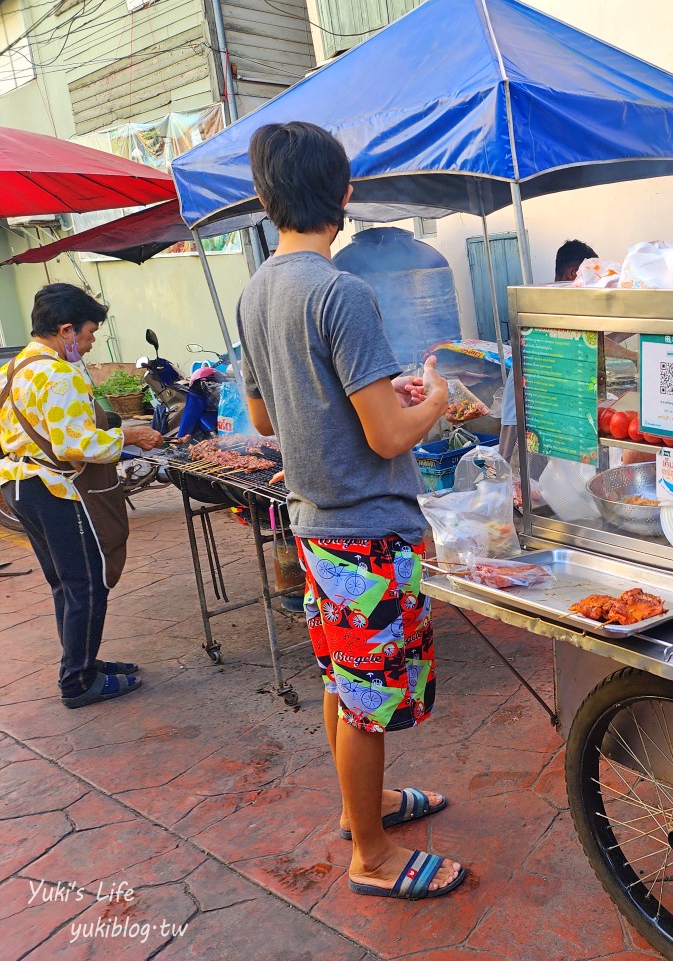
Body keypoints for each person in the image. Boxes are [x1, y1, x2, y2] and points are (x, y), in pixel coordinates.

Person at [237, 121, 465, 901]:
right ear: (347, 196)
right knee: (369, 704)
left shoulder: (257, 290)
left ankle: (356, 810)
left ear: (268, 200)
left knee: (343, 682)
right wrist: (434, 396)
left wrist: (386, 394)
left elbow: (268, 418)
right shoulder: (341, 291)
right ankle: (370, 856)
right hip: (365, 531)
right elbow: (389, 432)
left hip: (313, 527)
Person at [0, 283, 164, 707]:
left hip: (19, 486)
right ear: (67, 329)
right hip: (53, 490)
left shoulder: (17, 366)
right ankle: (77, 682)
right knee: (88, 583)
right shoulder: (57, 372)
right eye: (89, 334)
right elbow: (75, 443)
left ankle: (83, 662)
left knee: (65, 584)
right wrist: (130, 436)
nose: (90, 345)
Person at [499, 239, 599, 460]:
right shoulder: (549, 305)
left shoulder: (564, 304)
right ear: (573, 273)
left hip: (545, 411)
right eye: (591, 276)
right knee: (511, 478)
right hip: (522, 413)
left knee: (542, 484)